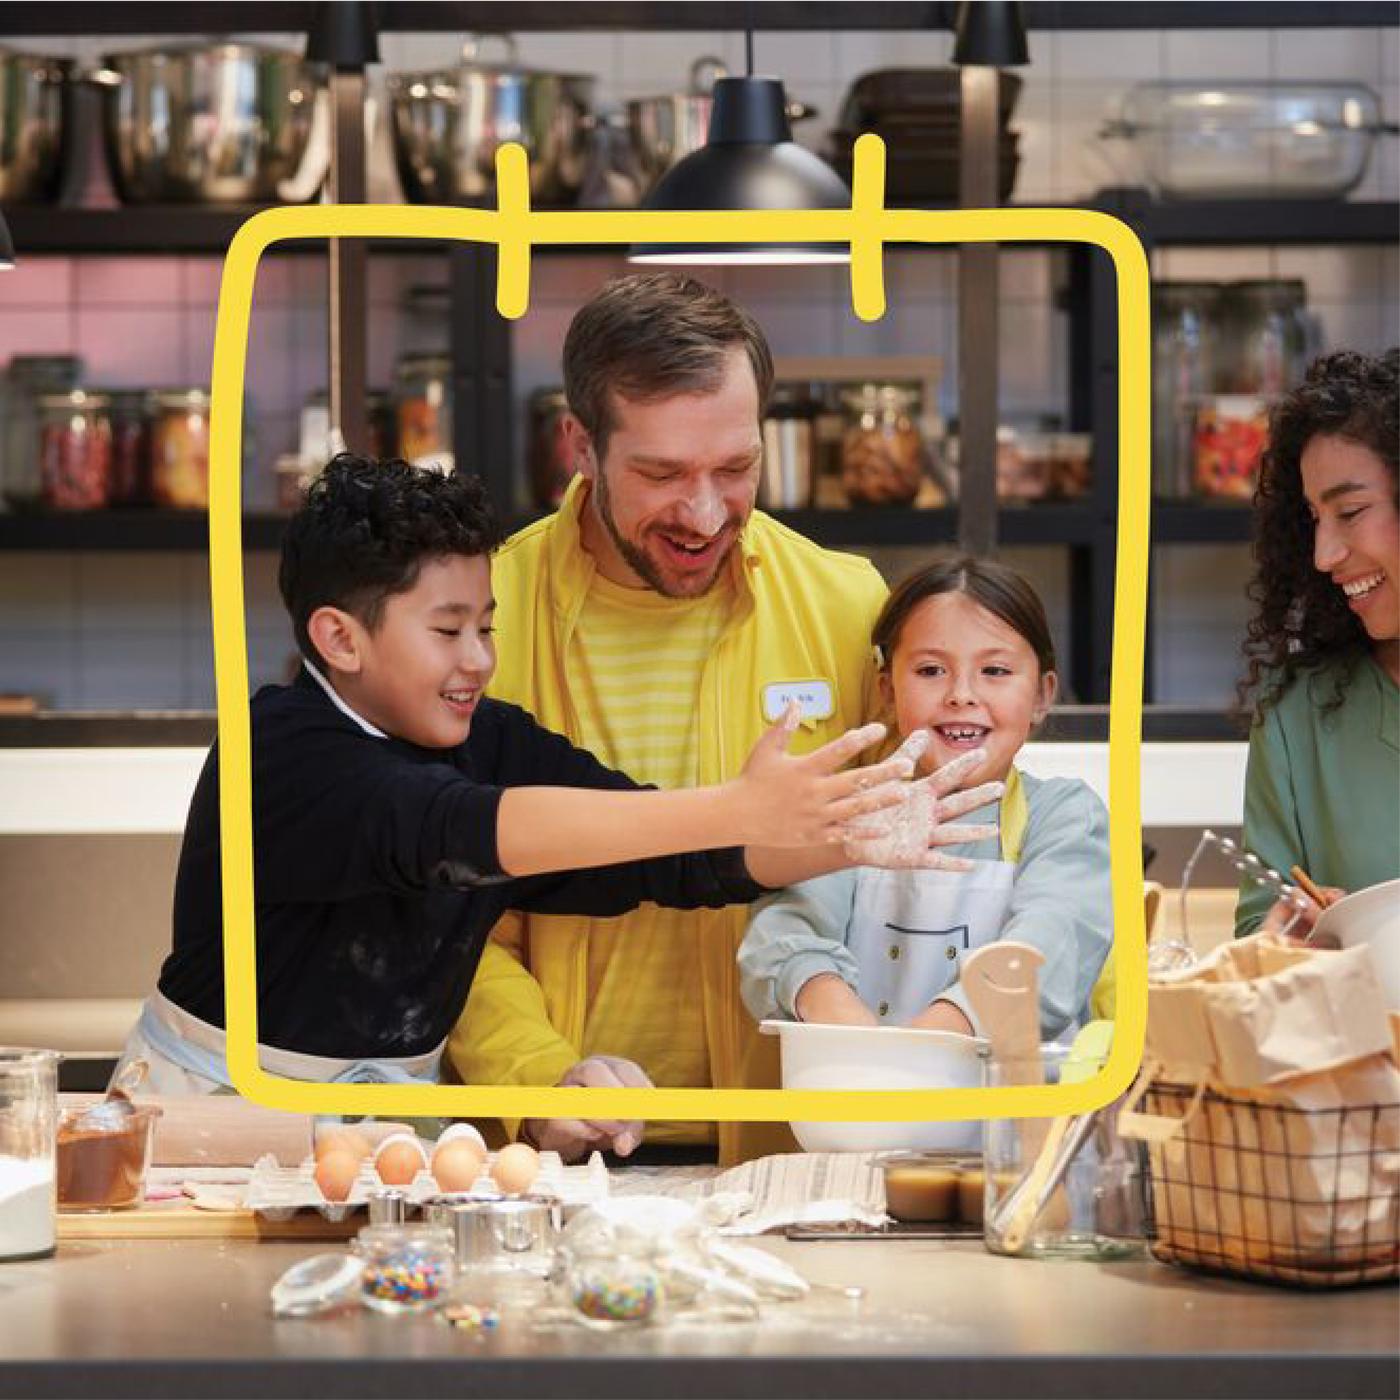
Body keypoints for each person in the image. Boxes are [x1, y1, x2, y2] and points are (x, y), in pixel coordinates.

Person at [111, 455, 986, 1094]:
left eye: (486, 627)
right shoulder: (283, 748)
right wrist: (733, 804)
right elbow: (456, 831)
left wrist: (837, 839)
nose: (479, 660)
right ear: (340, 638)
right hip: (211, 1119)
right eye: (448, 630)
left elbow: (658, 855)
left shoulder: (487, 737)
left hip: (383, 1128)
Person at [446, 272, 905, 1164]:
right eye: (661, 474)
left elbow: (903, 886)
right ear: (580, 443)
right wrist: (542, 1078)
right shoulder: (482, 616)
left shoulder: (850, 608)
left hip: (800, 1155)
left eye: (735, 469)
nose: (703, 514)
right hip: (549, 1162)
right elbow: (446, 912)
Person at [738, 554, 1112, 1040]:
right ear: (888, 690)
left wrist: (928, 1046)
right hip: (860, 1101)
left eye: (995, 671)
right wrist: (848, 1026)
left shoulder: (1063, 818)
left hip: (1010, 1114)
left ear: (1042, 695)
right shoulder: (854, 809)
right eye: (932, 670)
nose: (961, 694)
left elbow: (1051, 945)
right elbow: (783, 935)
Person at [1235, 348, 1399, 939]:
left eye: (1351, 512)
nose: (1323, 555)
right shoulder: (1295, 712)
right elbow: (1259, 932)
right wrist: (1291, 936)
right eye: (1312, 519)